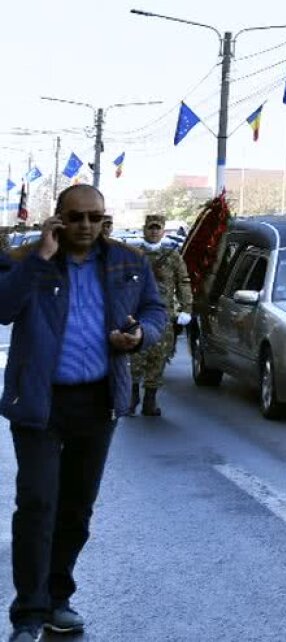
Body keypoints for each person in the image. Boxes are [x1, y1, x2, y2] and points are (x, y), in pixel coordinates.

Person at [0, 184, 167, 641]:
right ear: (58, 218)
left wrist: (140, 336)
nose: (86, 227)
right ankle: (28, 614)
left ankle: (58, 599)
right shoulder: (24, 259)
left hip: (96, 402)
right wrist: (40, 258)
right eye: (76, 217)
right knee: (37, 504)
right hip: (39, 403)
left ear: (105, 219)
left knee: (75, 510)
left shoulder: (129, 262)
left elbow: (155, 310)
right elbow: (2, 308)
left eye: (95, 217)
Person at [129, 214, 193, 416]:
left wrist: (186, 309)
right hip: (137, 314)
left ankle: (150, 399)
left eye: (158, 228)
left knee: (159, 356)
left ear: (163, 231)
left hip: (163, 315)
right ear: (144, 229)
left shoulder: (173, 256)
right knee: (135, 356)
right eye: (151, 228)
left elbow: (183, 282)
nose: (154, 232)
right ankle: (131, 396)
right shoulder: (134, 255)